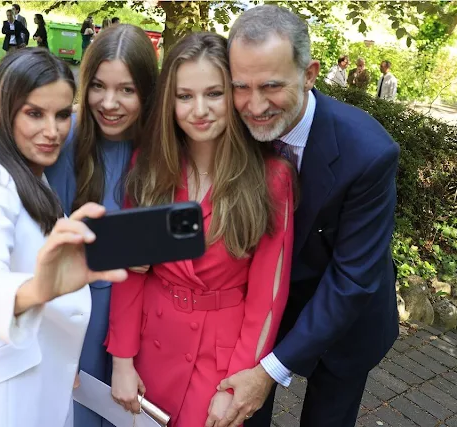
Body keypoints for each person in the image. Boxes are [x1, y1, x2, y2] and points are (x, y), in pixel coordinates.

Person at [219, 5, 400, 427]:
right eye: (240, 87)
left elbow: (352, 279)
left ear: (311, 74)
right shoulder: (235, 129)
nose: (254, 105)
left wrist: (271, 370)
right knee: (242, 412)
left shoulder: (369, 153)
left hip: (347, 320)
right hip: (263, 314)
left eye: (271, 86)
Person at [106, 32, 295, 427]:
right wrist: (122, 361)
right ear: (169, 102)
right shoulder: (150, 166)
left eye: (213, 93)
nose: (199, 110)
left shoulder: (269, 178)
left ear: (233, 95)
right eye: (185, 96)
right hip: (151, 345)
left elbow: (267, 299)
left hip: (220, 358)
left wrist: (235, 387)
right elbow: (129, 273)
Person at [0, 48, 128, 427]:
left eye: (61, 114)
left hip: (39, 379)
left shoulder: (29, 171)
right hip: (5, 399)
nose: (53, 130)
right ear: (3, 109)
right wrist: (39, 288)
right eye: (34, 113)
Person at [45, 24, 158, 427]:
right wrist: (123, 246)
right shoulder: (63, 141)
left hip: (145, 323)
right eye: (98, 86)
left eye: (126, 90)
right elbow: (40, 244)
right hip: (81, 321)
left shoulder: (162, 148)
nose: (109, 103)